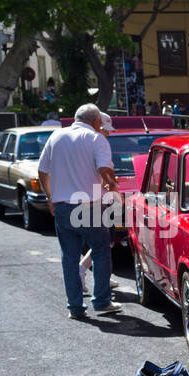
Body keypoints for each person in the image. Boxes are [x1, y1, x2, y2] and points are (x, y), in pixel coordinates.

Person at [37, 104, 120, 320]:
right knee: (101, 251)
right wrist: (112, 184)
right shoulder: (96, 138)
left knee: (69, 258)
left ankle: (75, 308)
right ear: (96, 122)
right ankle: (101, 301)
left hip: (63, 205)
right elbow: (104, 168)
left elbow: (42, 170)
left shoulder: (56, 136)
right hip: (89, 205)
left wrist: (50, 198)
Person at [78, 113, 117, 285]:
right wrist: (112, 186)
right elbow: (104, 171)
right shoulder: (98, 144)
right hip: (97, 199)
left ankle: (103, 277)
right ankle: (82, 270)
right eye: (105, 130)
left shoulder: (87, 144)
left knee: (104, 242)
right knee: (104, 242)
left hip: (91, 196)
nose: (107, 134)